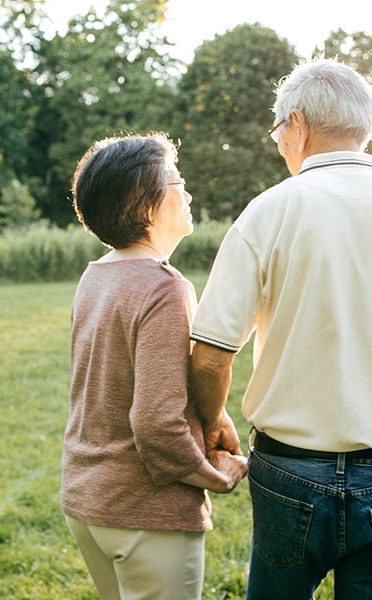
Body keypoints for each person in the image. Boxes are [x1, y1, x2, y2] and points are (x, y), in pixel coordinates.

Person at [189, 58, 372, 600]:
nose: (279, 144)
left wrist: (210, 421)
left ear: (296, 123)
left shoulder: (266, 213)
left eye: (278, 132)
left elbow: (209, 355)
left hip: (289, 470)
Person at [61, 132, 248, 600]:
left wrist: (214, 415)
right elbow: (155, 425)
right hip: (145, 514)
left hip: (87, 503)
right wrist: (213, 477)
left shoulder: (96, 275)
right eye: (176, 180)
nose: (187, 193)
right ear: (145, 206)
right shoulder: (164, 286)